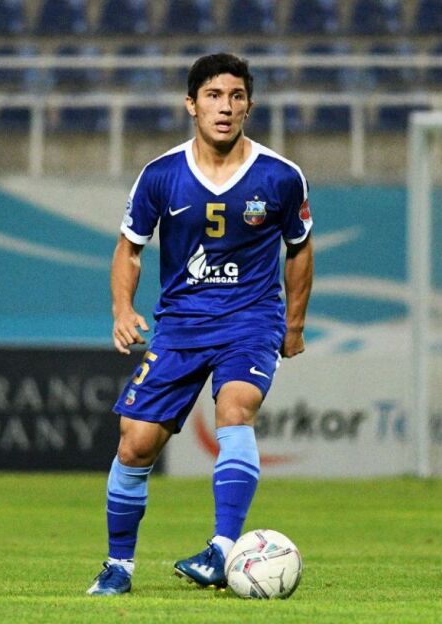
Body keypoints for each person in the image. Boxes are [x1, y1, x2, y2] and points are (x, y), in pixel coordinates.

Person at [86, 53, 314, 596]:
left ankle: (222, 549)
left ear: (249, 106)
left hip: (250, 319)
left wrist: (294, 324)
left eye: (236, 96)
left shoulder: (281, 176)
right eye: (213, 95)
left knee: (236, 409)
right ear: (191, 104)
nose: (225, 107)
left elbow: (300, 248)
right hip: (181, 325)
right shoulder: (161, 175)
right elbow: (129, 248)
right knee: (134, 444)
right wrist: (122, 309)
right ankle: (119, 567)